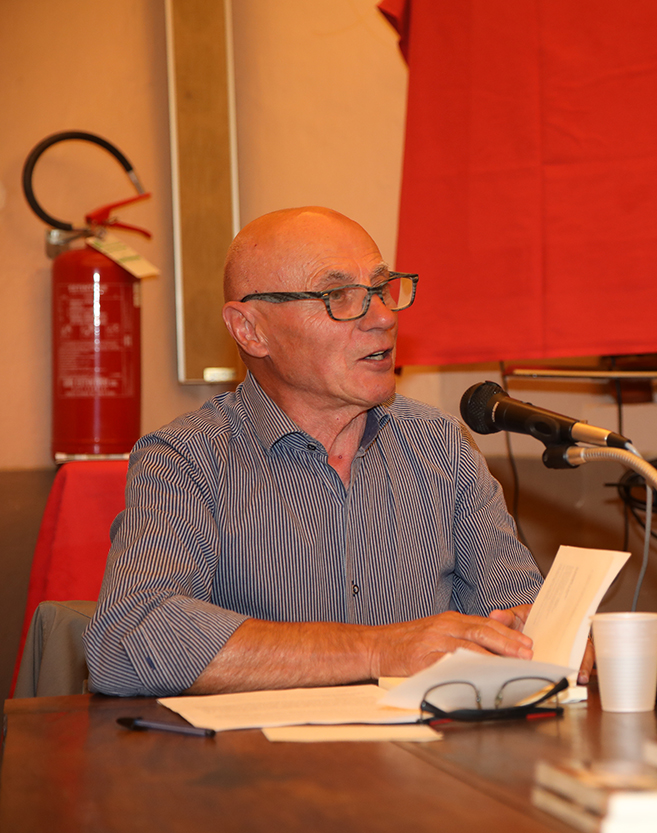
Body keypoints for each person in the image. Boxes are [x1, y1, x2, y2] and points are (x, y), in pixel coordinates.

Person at [84, 207, 575, 697]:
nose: (383, 318)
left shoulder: (438, 446)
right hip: (265, 768)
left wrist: (546, 633)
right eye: (338, 296)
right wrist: (378, 650)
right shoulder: (187, 459)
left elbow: (513, 606)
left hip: (419, 761)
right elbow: (129, 641)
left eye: (383, 290)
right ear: (250, 329)